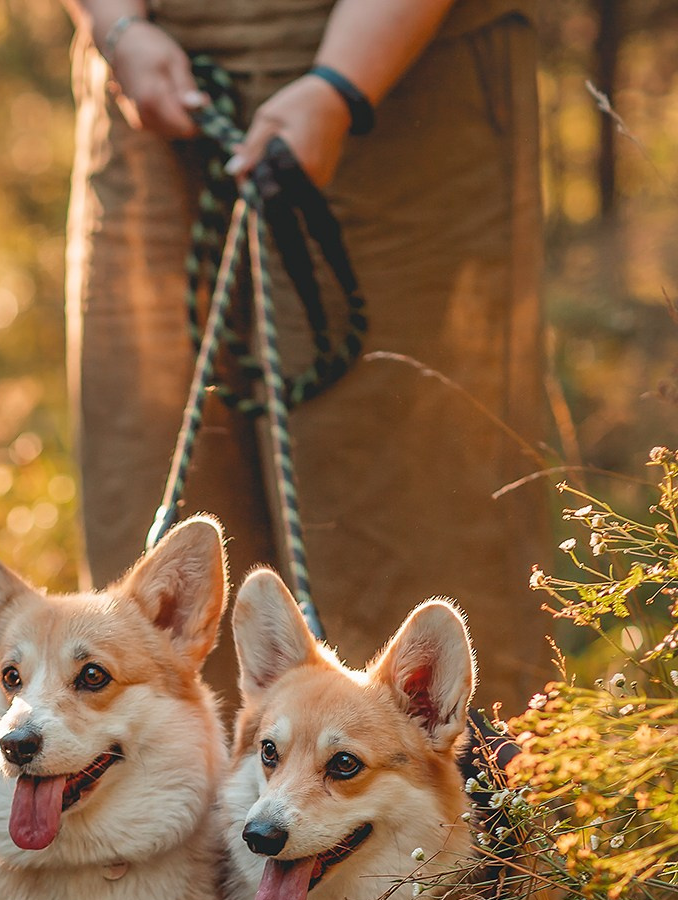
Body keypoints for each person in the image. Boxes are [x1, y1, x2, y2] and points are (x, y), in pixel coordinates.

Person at [63, 0, 552, 711]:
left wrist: (342, 84)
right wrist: (120, 30)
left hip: (405, 86)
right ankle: (179, 817)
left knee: (411, 532)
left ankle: (475, 812)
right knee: (155, 525)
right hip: (144, 78)